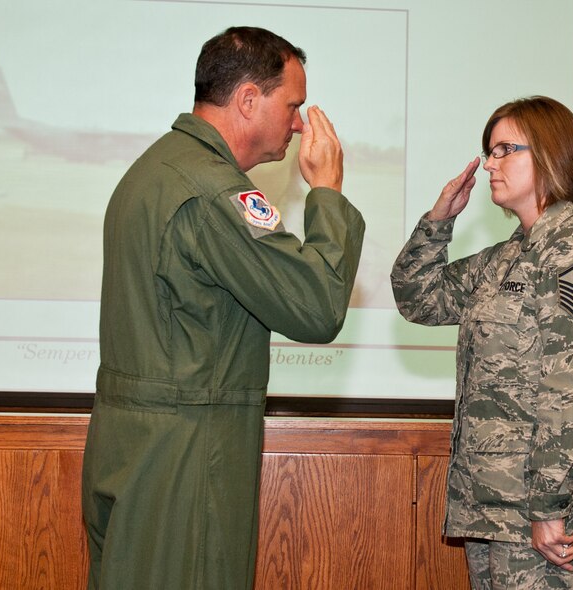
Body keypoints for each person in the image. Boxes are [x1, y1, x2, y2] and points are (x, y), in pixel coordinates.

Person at [82, 26, 365, 590]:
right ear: (247, 100)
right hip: (185, 460)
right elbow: (315, 307)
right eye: (293, 105)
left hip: (133, 449)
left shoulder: (155, 169)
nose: (299, 123)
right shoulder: (215, 193)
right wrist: (328, 194)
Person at [391, 96, 573, 589]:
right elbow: (419, 298)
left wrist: (547, 505)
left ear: (549, 155)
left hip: (549, 518)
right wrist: (439, 222)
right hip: (495, 512)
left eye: (504, 149)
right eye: (488, 150)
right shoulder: (502, 260)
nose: (489, 163)